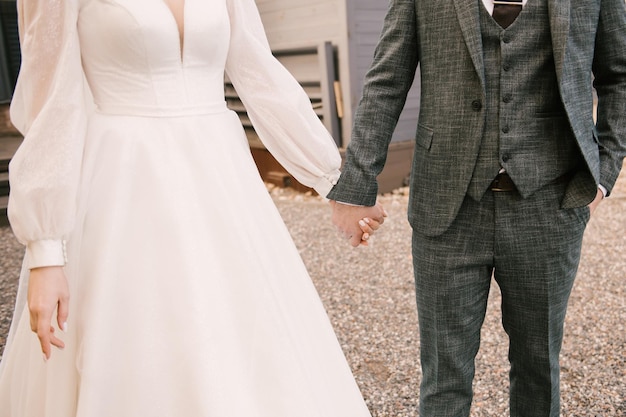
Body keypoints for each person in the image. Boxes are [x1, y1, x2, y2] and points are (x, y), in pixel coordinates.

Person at [0, 0, 384, 415]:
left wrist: (334, 181)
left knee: (249, 343)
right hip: (123, 190)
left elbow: (261, 75)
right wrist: (45, 251)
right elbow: (50, 106)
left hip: (223, 185)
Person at [329, 0, 626, 416]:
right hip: (446, 207)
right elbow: (387, 79)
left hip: (548, 204)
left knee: (539, 367)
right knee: (444, 377)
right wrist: (355, 186)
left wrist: (602, 173)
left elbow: (619, 75)